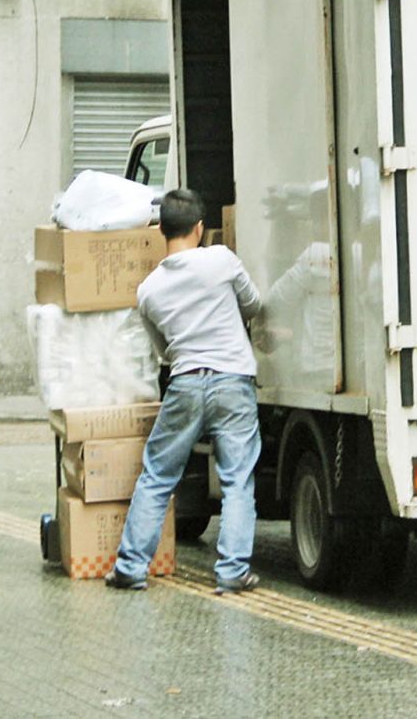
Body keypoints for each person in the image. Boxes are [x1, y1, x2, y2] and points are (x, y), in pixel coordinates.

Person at [106, 188, 263, 595]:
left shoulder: (148, 291)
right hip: (233, 382)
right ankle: (232, 572)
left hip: (186, 382)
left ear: (161, 230)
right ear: (199, 227)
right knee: (237, 479)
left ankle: (130, 567)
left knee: (158, 475)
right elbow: (254, 305)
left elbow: (162, 352)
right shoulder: (221, 260)